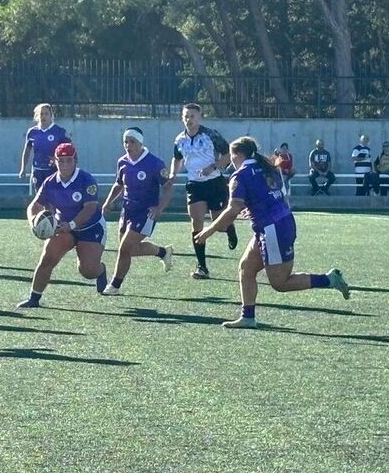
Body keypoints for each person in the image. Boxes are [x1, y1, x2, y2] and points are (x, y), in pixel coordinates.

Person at [194, 136, 350, 329]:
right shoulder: (269, 167)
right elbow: (277, 197)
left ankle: (328, 280)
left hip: (271, 229)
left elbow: (232, 210)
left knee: (280, 283)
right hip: (279, 223)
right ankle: (248, 317)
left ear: (239, 155)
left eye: (231, 157)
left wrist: (208, 231)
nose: (229, 161)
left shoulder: (241, 174)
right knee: (246, 268)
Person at [17, 143, 108, 308]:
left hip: (90, 228)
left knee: (87, 271)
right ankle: (34, 298)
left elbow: (90, 208)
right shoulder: (50, 182)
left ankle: (100, 270)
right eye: (61, 161)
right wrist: (33, 224)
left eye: (69, 160)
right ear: (54, 161)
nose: (65, 165)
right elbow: (34, 206)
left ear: (76, 160)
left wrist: (71, 225)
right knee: (47, 258)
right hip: (63, 227)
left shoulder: (86, 179)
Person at [100, 127, 175, 295]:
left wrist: (159, 208)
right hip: (127, 210)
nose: (128, 145)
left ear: (141, 143)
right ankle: (163, 252)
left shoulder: (154, 163)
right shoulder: (122, 162)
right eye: (125, 141)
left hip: (145, 212)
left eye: (132, 141)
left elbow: (168, 188)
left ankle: (114, 286)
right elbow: (119, 184)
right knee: (129, 250)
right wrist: (108, 202)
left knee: (125, 248)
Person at [169, 103, 238, 280]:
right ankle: (202, 267)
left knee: (219, 224)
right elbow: (176, 159)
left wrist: (213, 166)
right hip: (194, 185)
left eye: (192, 116)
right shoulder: (179, 140)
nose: (189, 120)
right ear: (182, 118)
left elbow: (228, 154)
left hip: (214, 182)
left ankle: (229, 229)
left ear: (200, 117)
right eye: (186, 116)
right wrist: (172, 175)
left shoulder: (210, 134)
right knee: (196, 222)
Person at [19, 103, 69, 192]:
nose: (43, 116)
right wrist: (23, 168)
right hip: (37, 170)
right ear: (37, 116)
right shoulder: (32, 132)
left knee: (53, 197)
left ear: (51, 116)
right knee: (39, 197)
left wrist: (58, 160)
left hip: (53, 170)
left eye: (46, 114)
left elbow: (69, 149)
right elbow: (27, 151)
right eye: (41, 114)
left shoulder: (59, 131)